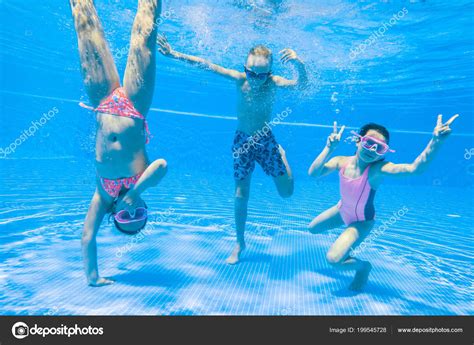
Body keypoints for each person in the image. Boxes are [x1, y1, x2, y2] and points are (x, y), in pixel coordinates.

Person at [157, 36, 308, 264]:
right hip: (242, 142)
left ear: (270, 72)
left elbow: (301, 86)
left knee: (286, 193)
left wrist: (299, 64)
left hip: (266, 140)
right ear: (245, 68)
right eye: (252, 73)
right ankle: (239, 242)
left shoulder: (274, 82)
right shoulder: (239, 80)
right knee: (240, 194)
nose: (256, 80)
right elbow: (206, 65)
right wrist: (174, 53)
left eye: (262, 74)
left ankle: (282, 155)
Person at [70, 0, 167, 286]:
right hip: (136, 106)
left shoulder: (103, 197)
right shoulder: (144, 183)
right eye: (141, 213)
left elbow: (88, 236)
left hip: (102, 100)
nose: (133, 209)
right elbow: (161, 165)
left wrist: (93, 278)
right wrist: (136, 192)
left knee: (84, 23)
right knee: (144, 33)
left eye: (128, 216)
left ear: (115, 216)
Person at [307, 114, 459, 290]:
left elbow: (414, 170)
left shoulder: (378, 170)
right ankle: (346, 246)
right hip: (341, 210)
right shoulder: (341, 161)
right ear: (358, 141)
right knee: (313, 228)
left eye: (379, 148)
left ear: (384, 152)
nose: (372, 150)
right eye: (368, 143)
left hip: (361, 222)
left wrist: (436, 141)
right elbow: (313, 174)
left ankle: (363, 267)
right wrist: (329, 148)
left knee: (334, 260)